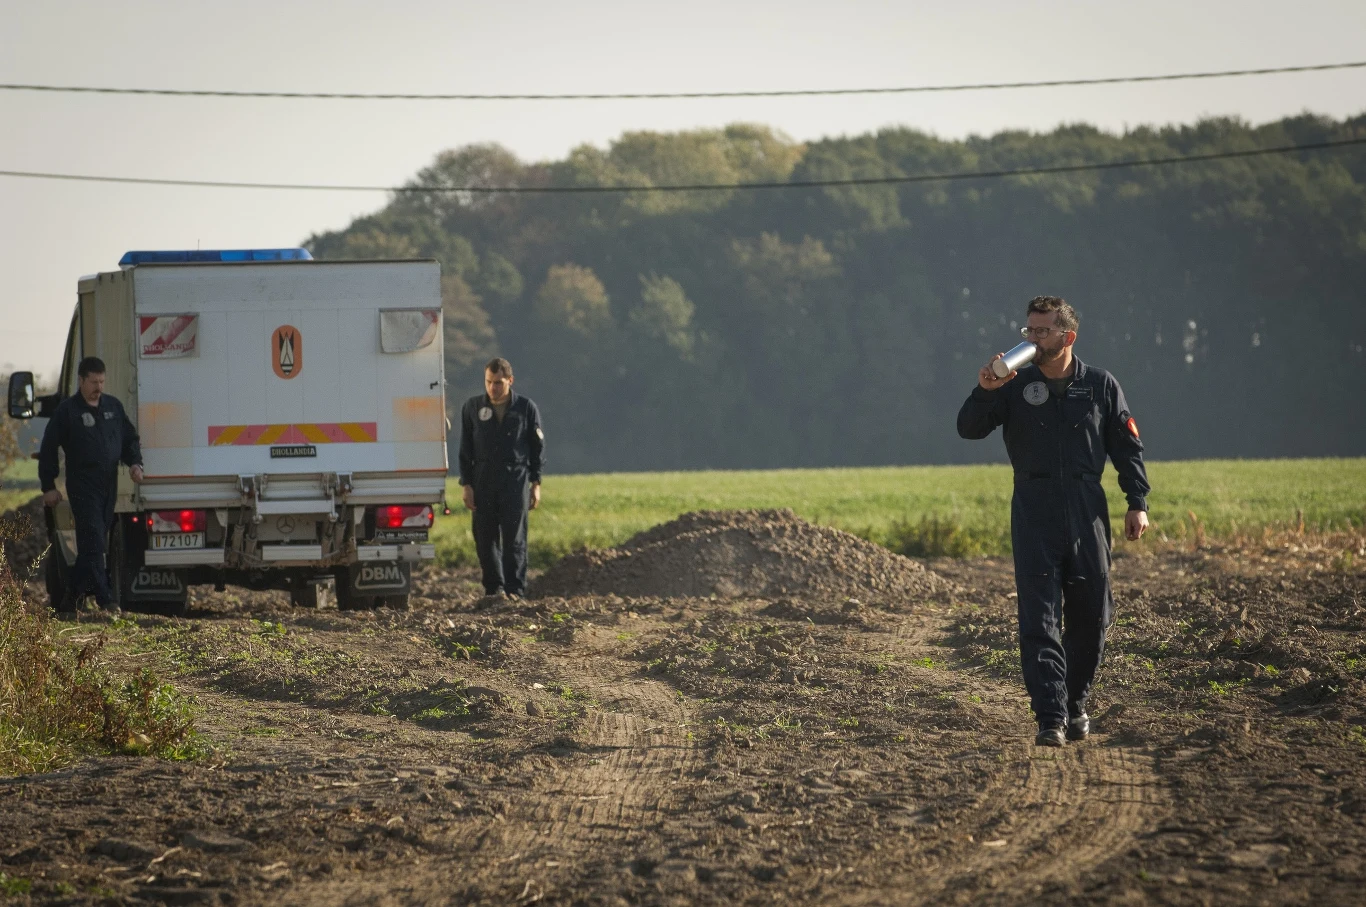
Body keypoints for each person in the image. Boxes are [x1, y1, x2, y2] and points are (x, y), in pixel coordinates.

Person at [957, 297, 1150, 747]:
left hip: (1087, 509)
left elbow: (1127, 448)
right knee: (1039, 618)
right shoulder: (1014, 384)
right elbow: (968, 428)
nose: (1032, 340)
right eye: (1029, 331)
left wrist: (1136, 501)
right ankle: (1050, 717)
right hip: (1034, 507)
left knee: (1092, 615)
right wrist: (985, 389)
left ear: (1068, 337)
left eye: (1042, 332)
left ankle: (1075, 703)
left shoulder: (1100, 385)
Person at [38, 356, 144, 613]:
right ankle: (106, 600)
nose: (99, 386)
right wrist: (48, 486)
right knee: (94, 539)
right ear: (81, 380)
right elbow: (49, 447)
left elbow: (129, 439)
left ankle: (70, 600)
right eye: (94, 381)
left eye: (102, 381)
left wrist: (135, 463)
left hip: (108, 483)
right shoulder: (68, 411)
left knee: (92, 543)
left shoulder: (113, 407)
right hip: (83, 484)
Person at [457, 358, 544, 601]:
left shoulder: (526, 408)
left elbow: (537, 449)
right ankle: (493, 590)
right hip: (483, 479)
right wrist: (466, 484)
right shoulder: (472, 408)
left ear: (509, 381)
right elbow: (465, 450)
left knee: (514, 538)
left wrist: (536, 484)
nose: (493, 388)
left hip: (514, 480)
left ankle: (514, 590)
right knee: (485, 539)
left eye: (498, 383)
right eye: (489, 382)